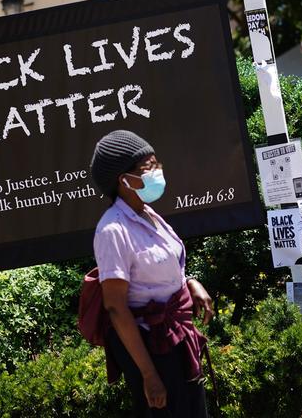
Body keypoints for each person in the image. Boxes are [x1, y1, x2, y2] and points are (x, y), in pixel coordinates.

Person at [90, 130, 214, 418]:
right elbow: (115, 307)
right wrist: (149, 374)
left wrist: (190, 282)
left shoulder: (149, 214)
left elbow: (166, 268)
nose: (158, 171)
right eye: (149, 166)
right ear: (124, 180)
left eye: (157, 163)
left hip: (177, 336)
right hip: (152, 348)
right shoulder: (112, 230)